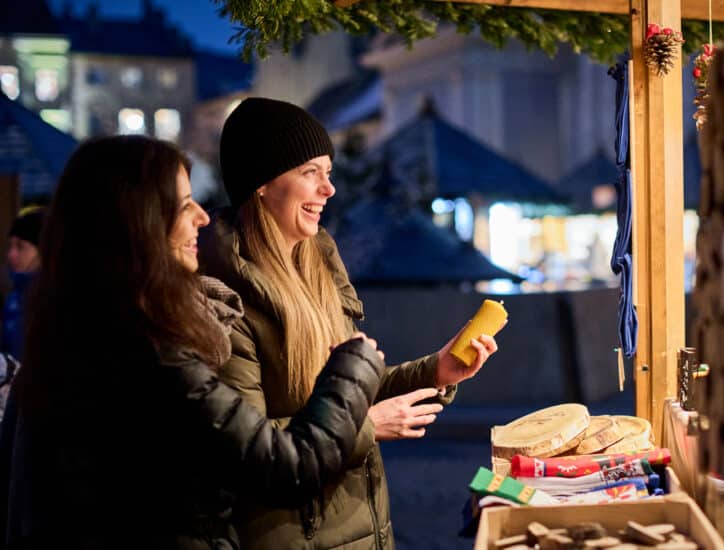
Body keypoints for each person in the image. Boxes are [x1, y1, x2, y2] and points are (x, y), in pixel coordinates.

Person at [0, 135, 387, 549]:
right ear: (139, 220)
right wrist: (353, 369)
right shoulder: (150, 353)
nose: (202, 217)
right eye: (184, 204)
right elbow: (283, 465)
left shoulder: (72, 331)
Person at [200, 97, 501, 549]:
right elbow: (248, 455)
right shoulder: (225, 300)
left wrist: (436, 370)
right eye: (310, 173)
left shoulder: (320, 266)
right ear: (262, 183)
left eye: (329, 172)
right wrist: (365, 427)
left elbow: (346, 399)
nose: (329, 189)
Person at [1, 208, 44, 360]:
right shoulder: (12, 300)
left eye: (20, 247)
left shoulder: (53, 299)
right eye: (10, 246)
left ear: (42, 250)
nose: (11, 254)